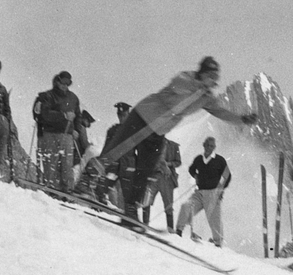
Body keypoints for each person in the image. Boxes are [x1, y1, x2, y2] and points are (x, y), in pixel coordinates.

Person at [79, 56, 257, 219]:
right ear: (201, 73)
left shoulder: (205, 97)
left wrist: (241, 120)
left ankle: (131, 208)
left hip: (158, 131)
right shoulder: (185, 79)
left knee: (146, 169)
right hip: (143, 117)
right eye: (210, 75)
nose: (213, 80)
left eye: (215, 77)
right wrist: (200, 88)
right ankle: (86, 182)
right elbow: (177, 93)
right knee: (116, 151)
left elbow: (220, 111)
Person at [175, 137, 230, 247]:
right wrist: (196, 176)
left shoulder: (219, 160)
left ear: (214, 148)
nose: (209, 148)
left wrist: (220, 189)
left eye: (211, 146)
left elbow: (226, 175)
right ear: (203, 145)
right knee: (186, 206)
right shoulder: (199, 159)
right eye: (207, 145)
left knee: (215, 219)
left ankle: (218, 243)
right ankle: (178, 232)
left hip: (213, 194)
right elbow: (191, 169)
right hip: (199, 193)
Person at [32, 71, 82, 191]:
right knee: (51, 164)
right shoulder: (48, 96)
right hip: (51, 134)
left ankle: (67, 190)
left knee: (67, 165)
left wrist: (77, 130)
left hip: (67, 136)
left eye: (68, 83)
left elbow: (78, 115)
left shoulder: (73, 98)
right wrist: (63, 115)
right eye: (63, 82)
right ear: (58, 81)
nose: (65, 85)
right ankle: (52, 190)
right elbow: (45, 114)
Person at [143, 138, 182, 232]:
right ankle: (144, 224)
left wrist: (168, 164)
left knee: (168, 204)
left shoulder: (174, 145)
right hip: (153, 176)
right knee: (146, 200)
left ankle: (170, 228)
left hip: (167, 178)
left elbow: (178, 162)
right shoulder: (152, 144)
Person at [102, 102, 133, 210]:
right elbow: (106, 149)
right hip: (113, 165)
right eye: (119, 115)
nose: (121, 118)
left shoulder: (134, 131)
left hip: (128, 166)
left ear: (128, 115)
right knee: (104, 187)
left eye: (124, 115)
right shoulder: (112, 130)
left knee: (127, 195)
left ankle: (127, 215)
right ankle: (99, 207)